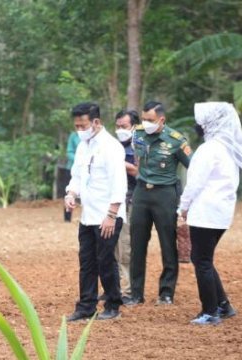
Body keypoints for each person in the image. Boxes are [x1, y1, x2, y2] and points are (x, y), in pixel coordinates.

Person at [178, 102, 242, 325]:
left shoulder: (208, 150)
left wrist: (182, 207)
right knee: (203, 258)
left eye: (200, 122)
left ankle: (210, 312)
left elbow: (194, 183)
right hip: (221, 213)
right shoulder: (227, 148)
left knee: (202, 261)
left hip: (205, 212)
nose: (198, 125)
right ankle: (223, 305)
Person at [64, 103, 127, 322]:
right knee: (87, 261)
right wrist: (71, 193)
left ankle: (113, 303)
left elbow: (119, 183)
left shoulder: (112, 147)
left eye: (83, 125)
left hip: (107, 215)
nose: (79, 130)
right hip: (88, 215)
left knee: (105, 260)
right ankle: (86, 306)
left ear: (96, 122)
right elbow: (77, 175)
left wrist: (111, 215)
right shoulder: (84, 146)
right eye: (77, 126)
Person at [128, 101, 191, 306]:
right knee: (137, 244)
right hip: (141, 193)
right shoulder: (137, 133)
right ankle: (136, 293)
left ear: (161, 120)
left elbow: (195, 166)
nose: (146, 123)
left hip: (165, 195)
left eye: (150, 120)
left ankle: (166, 293)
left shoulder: (176, 140)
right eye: (144, 119)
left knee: (167, 244)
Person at [113, 110, 139, 302]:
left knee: (125, 247)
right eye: (118, 126)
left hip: (130, 200)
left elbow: (140, 172)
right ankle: (113, 287)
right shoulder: (113, 146)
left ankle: (128, 290)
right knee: (110, 246)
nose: (120, 130)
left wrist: (120, 163)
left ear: (134, 126)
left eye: (124, 126)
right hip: (112, 201)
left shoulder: (139, 147)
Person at [63, 132, 81, 222]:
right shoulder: (73, 136)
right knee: (69, 193)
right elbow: (69, 152)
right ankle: (67, 217)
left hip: (87, 170)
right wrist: (79, 159)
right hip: (71, 168)